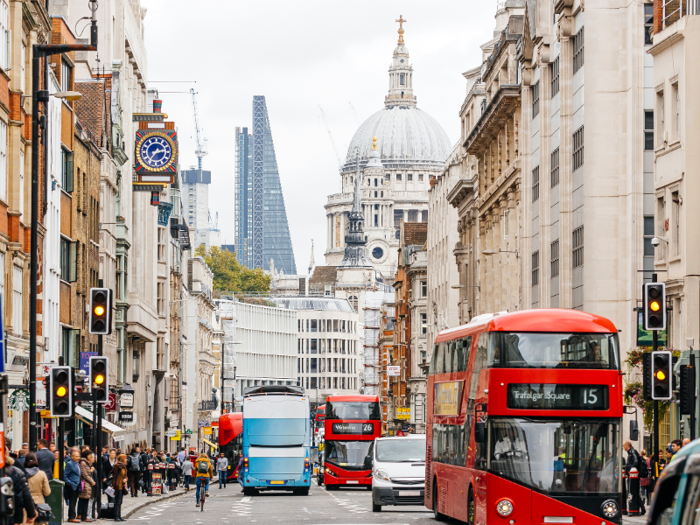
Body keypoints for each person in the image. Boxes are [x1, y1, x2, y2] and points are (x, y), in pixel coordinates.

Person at [5, 450, 37, 525]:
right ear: (7, 453)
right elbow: (25, 494)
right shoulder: (15, 471)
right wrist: (31, 513)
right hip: (12, 515)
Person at [623, 441, 645, 515]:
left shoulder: (632, 452)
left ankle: (636, 509)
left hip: (633, 475)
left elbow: (635, 462)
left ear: (628, 446)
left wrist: (630, 469)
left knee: (633, 491)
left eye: (624, 446)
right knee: (634, 492)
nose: (623, 447)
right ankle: (642, 508)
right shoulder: (631, 452)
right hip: (632, 475)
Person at [64, 447, 82, 523]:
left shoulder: (77, 464)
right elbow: (65, 475)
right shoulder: (69, 464)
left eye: (79, 456)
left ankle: (72, 516)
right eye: (76, 456)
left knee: (74, 502)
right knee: (72, 501)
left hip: (77, 485)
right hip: (72, 486)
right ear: (72, 457)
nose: (78, 458)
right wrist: (70, 483)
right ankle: (71, 517)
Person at [78, 450, 96, 522]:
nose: (91, 457)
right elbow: (84, 474)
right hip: (85, 484)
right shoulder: (83, 463)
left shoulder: (87, 463)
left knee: (86, 501)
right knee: (84, 501)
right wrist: (92, 481)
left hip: (87, 484)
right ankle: (83, 516)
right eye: (90, 455)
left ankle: (84, 516)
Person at [111, 454, 128, 522]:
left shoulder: (124, 467)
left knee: (120, 501)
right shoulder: (117, 466)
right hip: (118, 486)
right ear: (122, 459)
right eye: (125, 458)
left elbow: (126, 476)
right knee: (117, 501)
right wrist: (113, 485)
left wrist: (126, 479)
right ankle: (116, 516)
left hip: (122, 486)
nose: (127, 459)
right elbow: (114, 476)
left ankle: (119, 516)